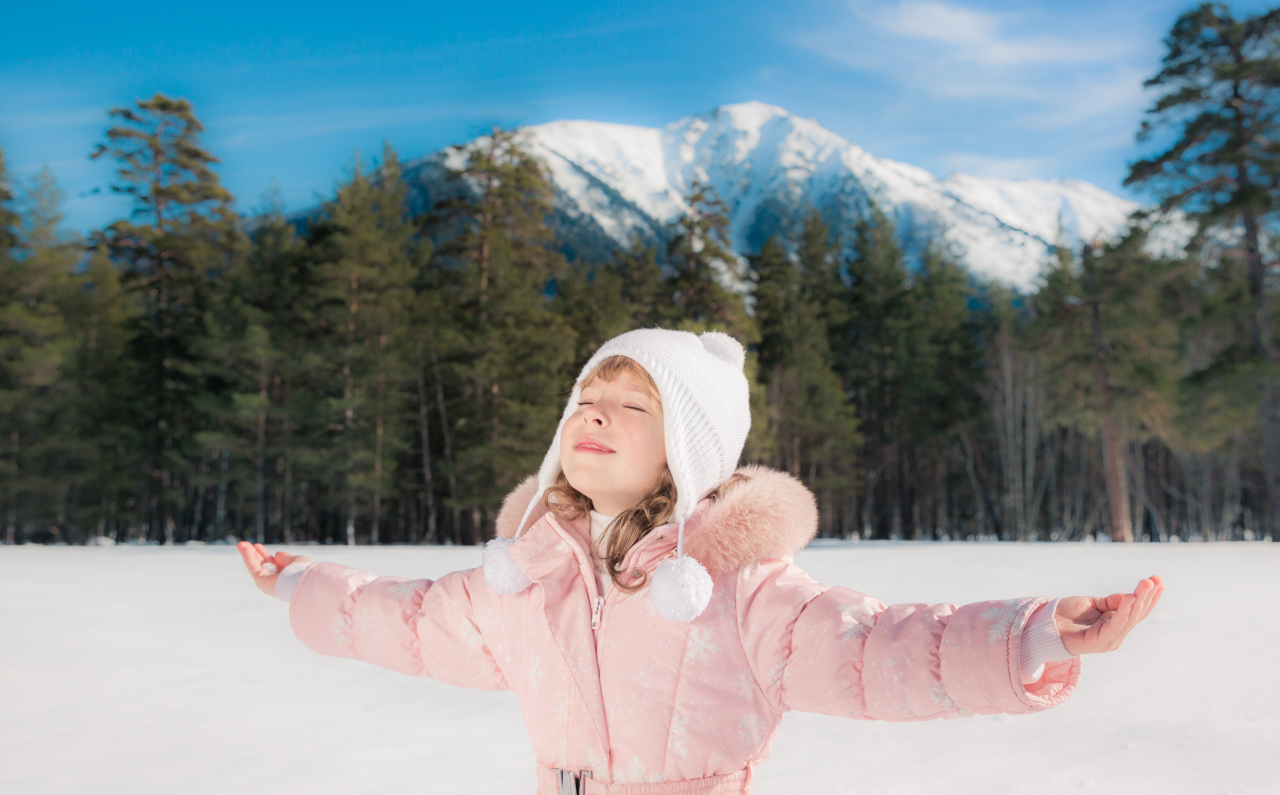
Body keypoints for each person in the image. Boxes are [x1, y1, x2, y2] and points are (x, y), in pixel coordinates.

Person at [239, 328, 1163, 795]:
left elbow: (882, 648)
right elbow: (406, 619)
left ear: (691, 450)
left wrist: (1038, 635)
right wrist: (299, 581)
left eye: (631, 407)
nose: (593, 415)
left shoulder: (737, 588)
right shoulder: (525, 578)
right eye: (585, 400)